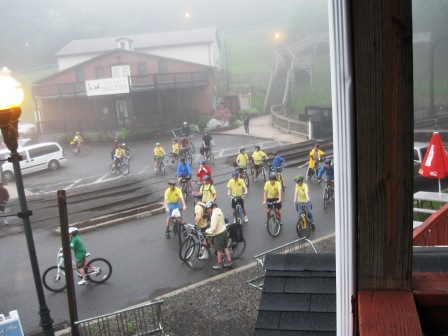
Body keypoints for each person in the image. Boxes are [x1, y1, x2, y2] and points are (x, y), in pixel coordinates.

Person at [205, 201, 233, 270]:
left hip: (219, 234)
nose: (208, 211)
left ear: (209, 209)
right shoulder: (219, 210)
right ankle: (230, 262)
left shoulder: (214, 216)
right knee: (225, 247)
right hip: (224, 231)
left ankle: (219, 264)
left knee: (219, 250)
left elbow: (213, 228)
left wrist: (206, 231)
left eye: (207, 210)